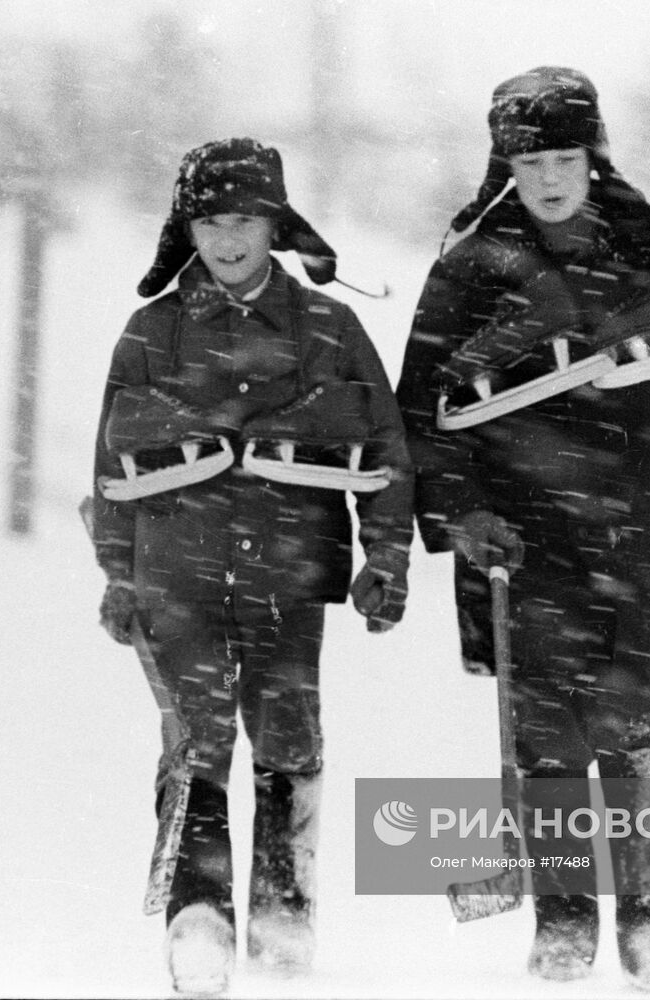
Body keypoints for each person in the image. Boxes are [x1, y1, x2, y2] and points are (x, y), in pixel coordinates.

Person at [395, 67, 650, 994]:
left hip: (637, 527)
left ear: (594, 156)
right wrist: (465, 512)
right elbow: (422, 408)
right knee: (545, 731)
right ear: (506, 164)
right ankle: (563, 923)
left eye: (566, 156)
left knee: (634, 718)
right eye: (531, 160)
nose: (549, 178)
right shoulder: (470, 269)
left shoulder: (647, 260)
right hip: (524, 538)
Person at [89, 138, 413, 996]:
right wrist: (117, 574)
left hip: (290, 573)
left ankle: (284, 910)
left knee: (288, 736)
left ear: (276, 225)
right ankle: (198, 920)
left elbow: (386, 451)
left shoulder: (329, 329)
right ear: (184, 228)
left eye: (244, 221)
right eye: (209, 221)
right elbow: (108, 476)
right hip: (177, 572)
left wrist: (388, 558)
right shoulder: (150, 333)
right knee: (196, 736)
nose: (227, 239)